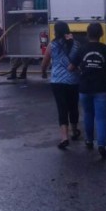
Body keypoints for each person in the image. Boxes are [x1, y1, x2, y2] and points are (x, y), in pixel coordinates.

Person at [72, 22, 106, 159]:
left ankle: (89, 140)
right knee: (101, 118)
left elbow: (71, 67)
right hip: (102, 87)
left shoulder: (81, 49)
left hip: (84, 87)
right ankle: (102, 145)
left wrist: (82, 70)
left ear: (87, 34)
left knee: (88, 115)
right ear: (101, 34)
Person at [40, 21, 81, 150]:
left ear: (56, 32)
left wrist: (43, 73)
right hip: (73, 80)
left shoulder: (52, 45)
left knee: (62, 108)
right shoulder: (76, 44)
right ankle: (74, 131)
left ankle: (64, 137)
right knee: (73, 106)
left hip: (57, 81)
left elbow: (45, 62)